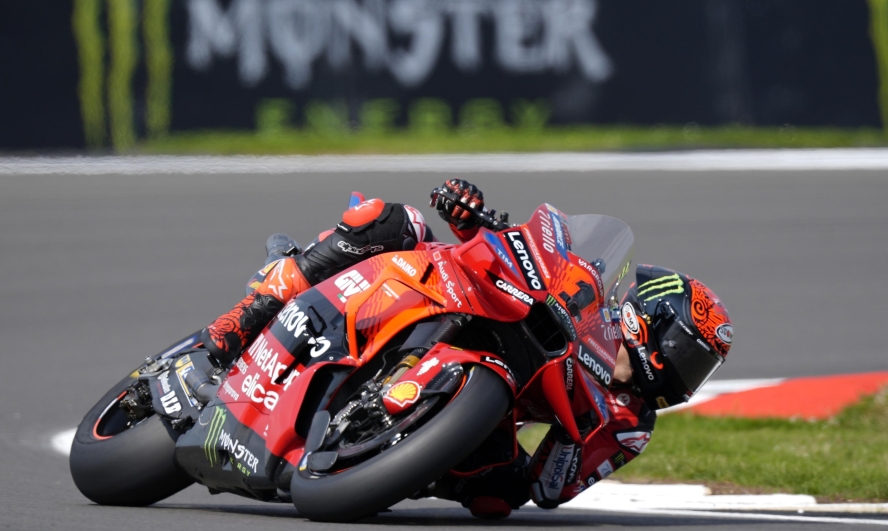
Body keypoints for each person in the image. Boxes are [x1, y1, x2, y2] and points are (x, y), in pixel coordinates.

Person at [199, 180, 733, 518]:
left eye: (701, 368)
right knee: (392, 219)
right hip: (440, 288)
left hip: (497, 403)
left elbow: (550, 488)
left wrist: (570, 442)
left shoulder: (630, 422)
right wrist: (470, 215)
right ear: (651, 323)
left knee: (498, 497)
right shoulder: (590, 293)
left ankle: (380, 455)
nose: (688, 376)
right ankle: (245, 317)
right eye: (690, 355)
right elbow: (526, 248)